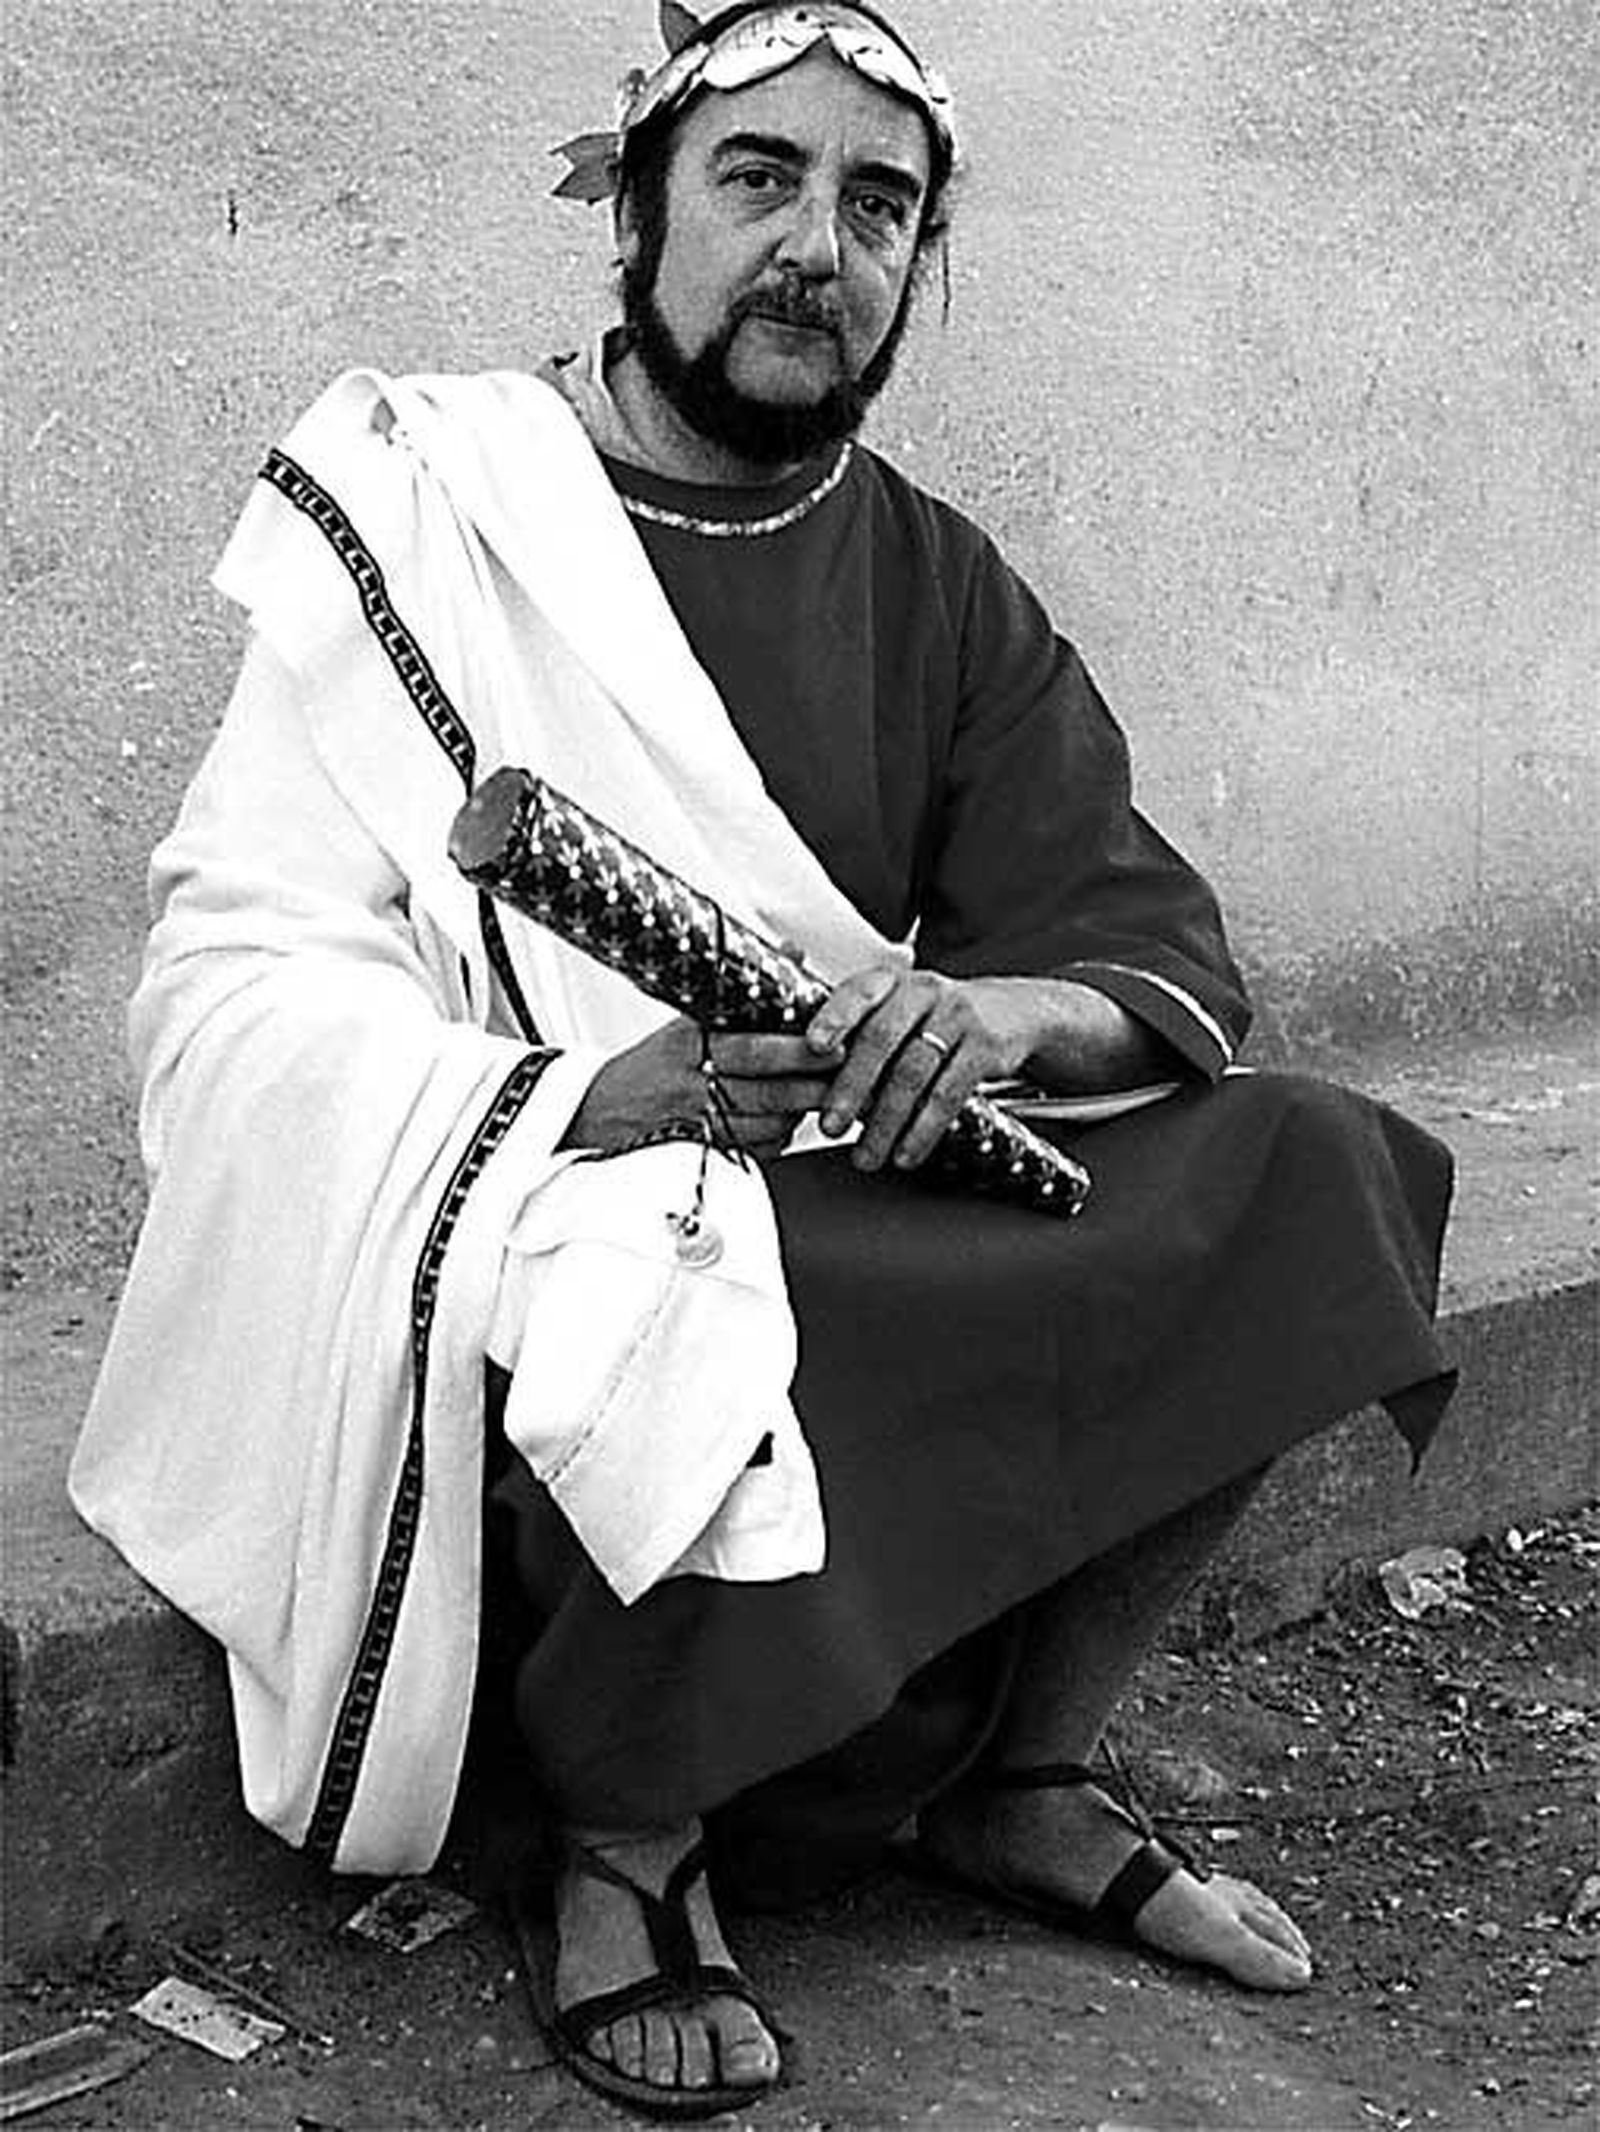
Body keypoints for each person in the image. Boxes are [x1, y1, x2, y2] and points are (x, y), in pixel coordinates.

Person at [70, 3, 1457, 2118]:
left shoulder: (929, 574)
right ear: (632, 208)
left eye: (877, 206)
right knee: (671, 1282)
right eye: (757, 178)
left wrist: (985, 1016)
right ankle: (623, 1857)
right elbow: (232, 976)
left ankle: (1021, 1766)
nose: (817, 244)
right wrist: (556, 1107)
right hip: (534, 1189)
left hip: (812, 1175)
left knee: (1312, 1172)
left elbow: (1137, 935)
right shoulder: (432, 502)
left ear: (915, 266)